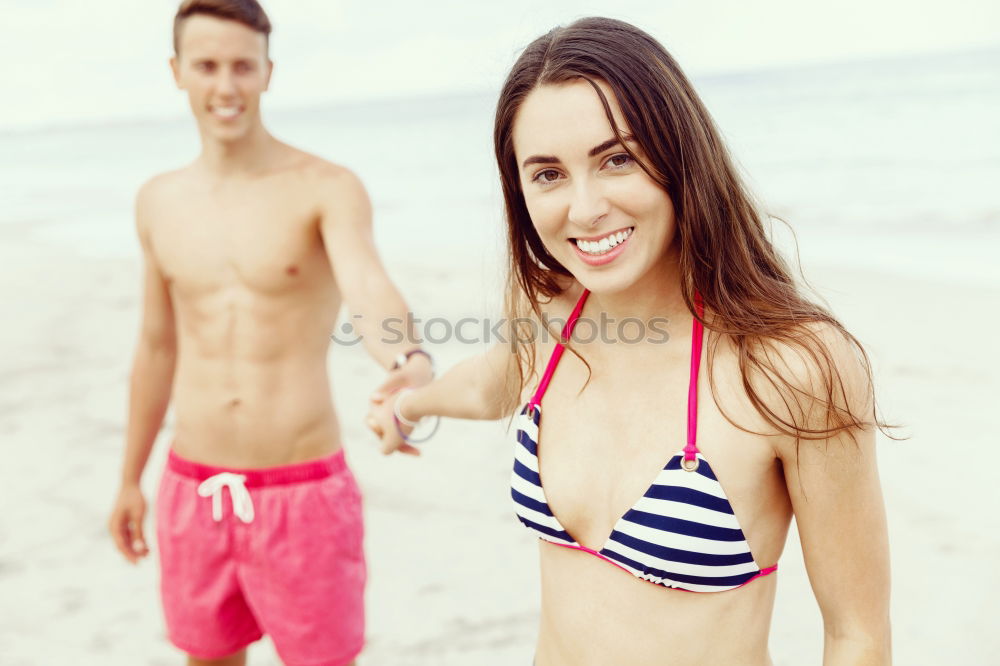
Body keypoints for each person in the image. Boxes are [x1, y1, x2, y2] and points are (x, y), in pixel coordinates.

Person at [368, 17, 892, 666]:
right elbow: (491, 383)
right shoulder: (551, 318)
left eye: (616, 159)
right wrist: (407, 407)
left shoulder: (793, 367)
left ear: (678, 155)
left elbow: (856, 634)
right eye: (548, 174)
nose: (585, 209)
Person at [107, 1, 430, 665]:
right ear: (176, 71)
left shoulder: (326, 188)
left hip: (303, 492)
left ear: (267, 72)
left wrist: (408, 358)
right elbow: (157, 346)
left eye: (241, 67)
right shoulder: (158, 200)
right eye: (206, 66)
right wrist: (129, 478)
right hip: (193, 486)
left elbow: (368, 287)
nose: (225, 87)